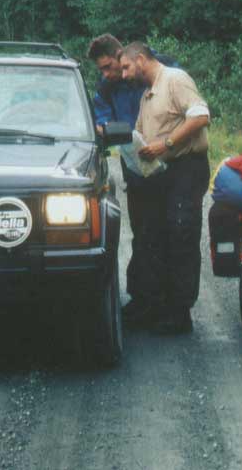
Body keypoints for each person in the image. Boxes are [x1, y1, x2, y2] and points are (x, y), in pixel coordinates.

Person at [118, 41, 210, 334]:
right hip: (163, 173)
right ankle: (156, 305)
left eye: (125, 67)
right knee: (156, 235)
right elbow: (144, 139)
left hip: (187, 167)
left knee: (181, 234)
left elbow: (200, 116)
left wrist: (167, 143)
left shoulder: (175, 79)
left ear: (141, 60)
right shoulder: (147, 96)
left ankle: (180, 314)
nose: (123, 75)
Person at [86, 34, 177, 328]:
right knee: (142, 232)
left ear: (121, 54)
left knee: (169, 232)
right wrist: (105, 129)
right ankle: (141, 299)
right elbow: (101, 120)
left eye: (109, 66)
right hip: (136, 166)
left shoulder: (161, 69)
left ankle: (170, 304)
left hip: (169, 162)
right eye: (102, 70)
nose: (109, 74)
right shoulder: (107, 87)